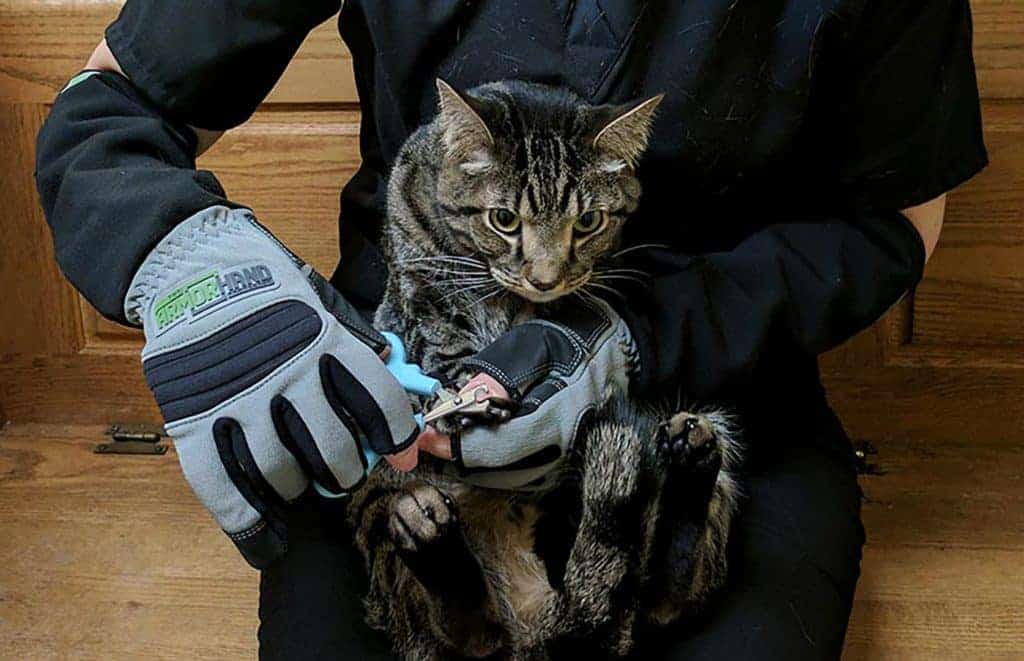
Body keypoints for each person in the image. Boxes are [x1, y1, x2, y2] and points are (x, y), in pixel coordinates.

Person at [34, 1, 986, 658]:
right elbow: (110, 107)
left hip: (713, 366)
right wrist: (190, 265)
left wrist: (633, 333)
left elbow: (897, 219)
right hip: (396, 387)